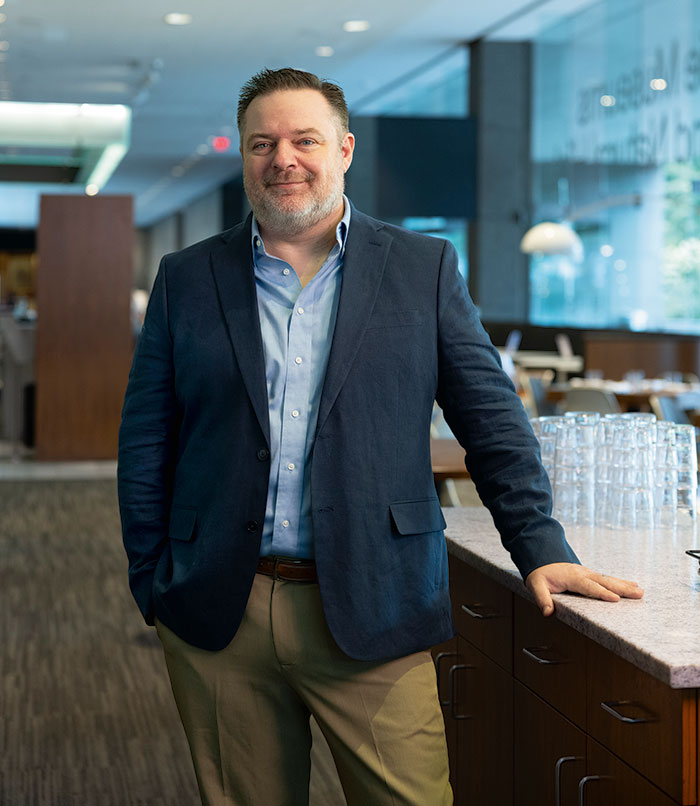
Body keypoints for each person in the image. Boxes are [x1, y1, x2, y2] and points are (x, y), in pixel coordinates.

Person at [118, 67, 642, 806]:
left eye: (304, 139)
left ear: (345, 150)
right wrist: (153, 583)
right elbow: (146, 439)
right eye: (261, 143)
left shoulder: (422, 269)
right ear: (242, 155)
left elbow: (492, 422)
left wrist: (541, 545)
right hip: (218, 615)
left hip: (375, 604)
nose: (283, 159)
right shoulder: (186, 278)